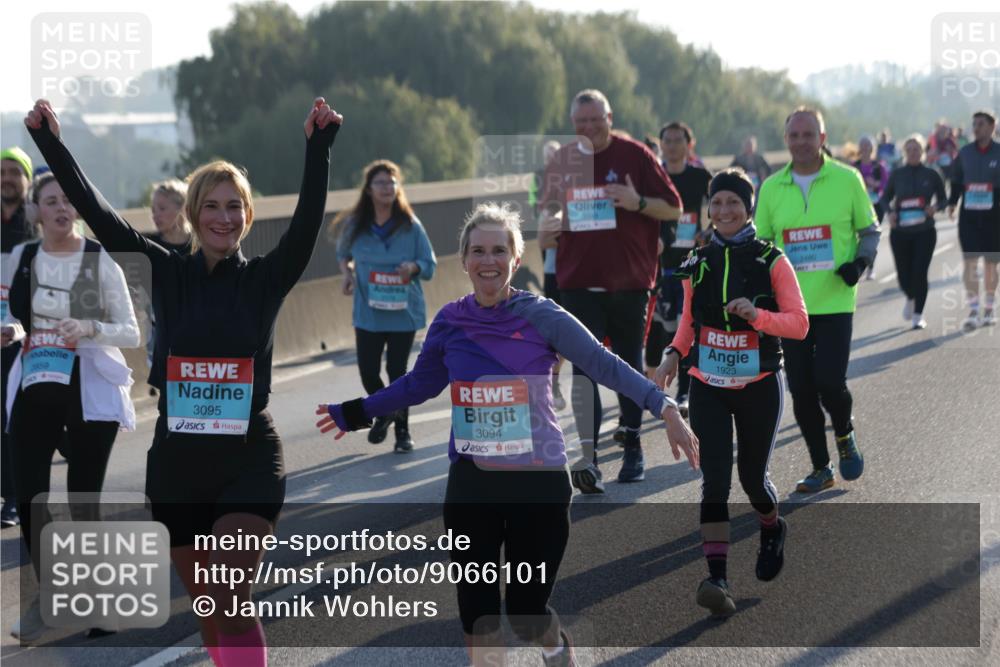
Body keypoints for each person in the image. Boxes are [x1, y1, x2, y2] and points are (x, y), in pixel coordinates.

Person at [26, 96, 342, 666]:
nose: (224, 217)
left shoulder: (267, 279)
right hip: (177, 463)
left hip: (248, 457)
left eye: (234, 207)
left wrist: (318, 148)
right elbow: (100, 216)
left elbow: (306, 222)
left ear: (247, 214)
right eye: (212, 207)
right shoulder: (166, 273)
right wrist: (50, 141)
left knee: (230, 596)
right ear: (194, 215)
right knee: (209, 608)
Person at [317, 202, 699, 666]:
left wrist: (665, 406)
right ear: (464, 260)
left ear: (515, 260)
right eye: (478, 250)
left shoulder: (543, 315)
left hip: (537, 483)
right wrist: (354, 412)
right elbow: (418, 384)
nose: (488, 260)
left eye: (499, 250)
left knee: (525, 615)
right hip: (472, 484)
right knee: (478, 616)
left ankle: (555, 648)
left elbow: (602, 364)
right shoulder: (451, 322)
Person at [654, 169, 808, 616]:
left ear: (749, 207)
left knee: (752, 480)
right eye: (717, 203)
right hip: (707, 386)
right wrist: (671, 355)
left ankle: (771, 525)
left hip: (759, 385)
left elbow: (798, 323)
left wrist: (758, 317)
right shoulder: (696, 260)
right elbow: (688, 324)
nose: (724, 211)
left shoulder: (772, 259)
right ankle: (717, 578)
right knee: (715, 481)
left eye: (733, 203)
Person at [4, 171, 140, 641]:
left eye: (68, 200)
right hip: (35, 385)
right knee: (29, 499)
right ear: (36, 211)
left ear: (76, 209)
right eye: (50, 200)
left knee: (84, 499)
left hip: (87, 391)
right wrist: (13, 332)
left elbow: (132, 331)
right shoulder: (20, 258)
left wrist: (88, 327)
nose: (61, 207)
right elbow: (11, 315)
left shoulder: (100, 260)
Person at [538, 89, 682, 492]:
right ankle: (589, 458)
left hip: (630, 282)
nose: (588, 127)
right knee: (584, 368)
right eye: (580, 121)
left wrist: (636, 202)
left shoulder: (635, 155)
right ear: (572, 124)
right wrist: (550, 224)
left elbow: (673, 207)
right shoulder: (563, 161)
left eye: (595, 120)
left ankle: (633, 444)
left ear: (610, 117)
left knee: (628, 365)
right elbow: (545, 212)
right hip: (579, 280)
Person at [755, 107, 879, 494]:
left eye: (809, 135)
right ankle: (821, 466)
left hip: (835, 301)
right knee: (802, 390)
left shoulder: (847, 179)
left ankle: (843, 432)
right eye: (794, 135)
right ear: (786, 140)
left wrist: (859, 263)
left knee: (829, 381)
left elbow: (869, 231)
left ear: (822, 139)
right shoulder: (773, 187)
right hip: (790, 309)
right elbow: (761, 244)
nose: (801, 142)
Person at [335, 159, 436, 453]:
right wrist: (347, 274)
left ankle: (402, 433)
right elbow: (343, 254)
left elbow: (430, 265)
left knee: (397, 372)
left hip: (403, 313)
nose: (387, 188)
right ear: (368, 189)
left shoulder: (411, 225)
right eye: (380, 182)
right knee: (368, 371)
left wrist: (413, 268)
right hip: (369, 312)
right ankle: (386, 410)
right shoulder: (356, 225)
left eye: (392, 182)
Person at [650, 121, 712, 415]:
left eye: (678, 141)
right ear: (660, 145)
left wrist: (709, 232)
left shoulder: (700, 176)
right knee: (663, 331)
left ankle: (685, 392)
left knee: (688, 328)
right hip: (658, 264)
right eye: (668, 141)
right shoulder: (653, 174)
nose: (672, 146)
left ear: (690, 145)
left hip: (692, 263)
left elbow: (725, 204)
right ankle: (654, 386)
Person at [1, 147, 37, 529]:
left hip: (35, 336)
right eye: (1, 171)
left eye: (15, 171)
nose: (7, 178)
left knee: (19, 418)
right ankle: (10, 495)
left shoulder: (38, 222)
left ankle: (16, 497)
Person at [880, 135, 947, 330]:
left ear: (923, 151)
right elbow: (885, 199)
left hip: (924, 231)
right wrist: (890, 213)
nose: (913, 153)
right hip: (900, 232)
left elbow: (943, 199)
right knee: (903, 275)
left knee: (920, 272)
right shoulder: (897, 174)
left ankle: (918, 314)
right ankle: (910, 296)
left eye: (917, 149)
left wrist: (935, 207)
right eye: (909, 150)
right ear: (904, 153)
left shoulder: (932, 174)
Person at [947, 110, 1000, 329]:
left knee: (990, 264)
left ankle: (988, 308)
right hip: (969, 216)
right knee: (969, 263)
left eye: (980, 124)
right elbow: (957, 180)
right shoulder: (965, 152)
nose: (975, 128)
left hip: (993, 216)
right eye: (974, 124)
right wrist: (952, 203)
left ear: (991, 127)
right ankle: (973, 308)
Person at [143, 179, 193, 390]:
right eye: (153, 209)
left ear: (182, 208)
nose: (156, 214)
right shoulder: (147, 245)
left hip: (196, 331)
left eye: (162, 208)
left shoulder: (202, 244)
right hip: (160, 334)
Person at [533, 140, 568, 411]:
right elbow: (544, 236)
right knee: (558, 330)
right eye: (549, 157)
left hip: (582, 273)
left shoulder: (575, 180)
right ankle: (551, 380)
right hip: (554, 269)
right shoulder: (541, 179)